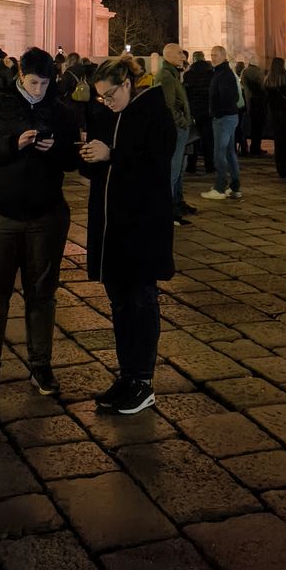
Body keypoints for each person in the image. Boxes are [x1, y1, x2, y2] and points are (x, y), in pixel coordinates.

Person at [0, 46, 79, 403]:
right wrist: (13, 143)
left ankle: (41, 364)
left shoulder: (60, 111)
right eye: (33, 82)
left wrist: (56, 149)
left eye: (45, 84)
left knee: (42, 294)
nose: (39, 90)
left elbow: (71, 159)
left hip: (46, 214)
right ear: (20, 76)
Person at [84, 57, 176, 414]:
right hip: (112, 229)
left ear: (127, 84)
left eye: (109, 95)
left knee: (141, 301)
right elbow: (105, 165)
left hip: (141, 226)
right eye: (100, 98)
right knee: (120, 304)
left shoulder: (155, 113)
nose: (105, 102)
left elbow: (156, 164)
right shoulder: (109, 114)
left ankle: (143, 380)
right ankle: (127, 376)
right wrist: (89, 156)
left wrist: (114, 155)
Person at [156, 42, 193, 225]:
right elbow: (169, 105)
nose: (183, 57)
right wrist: (182, 122)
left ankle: (175, 206)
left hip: (180, 129)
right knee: (172, 170)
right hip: (176, 129)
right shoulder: (167, 76)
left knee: (178, 169)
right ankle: (167, 211)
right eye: (179, 53)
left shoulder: (172, 74)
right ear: (169, 56)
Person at [202, 45, 244, 201]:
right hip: (228, 116)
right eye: (211, 55)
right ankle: (234, 186)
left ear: (223, 56)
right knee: (229, 152)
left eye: (215, 55)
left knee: (219, 153)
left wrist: (217, 112)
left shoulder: (223, 73)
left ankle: (220, 187)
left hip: (223, 118)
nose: (212, 58)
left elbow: (228, 96)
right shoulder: (223, 72)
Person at [184, 50, 214, 175]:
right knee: (208, 140)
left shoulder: (189, 74)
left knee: (193, 139)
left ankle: (191, 166)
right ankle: (210, 166)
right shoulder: (211, 73)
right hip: (208, 110)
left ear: (194, 59)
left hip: (194, 110)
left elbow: (187, 93)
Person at [240, 57, 266, 156]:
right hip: (258, 102)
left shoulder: (244, 71)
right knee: (258, 126)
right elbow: (263, 87)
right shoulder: (259, 72)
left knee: (251, 126)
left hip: (248, 101)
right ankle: (256, 147)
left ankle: (251, 147)